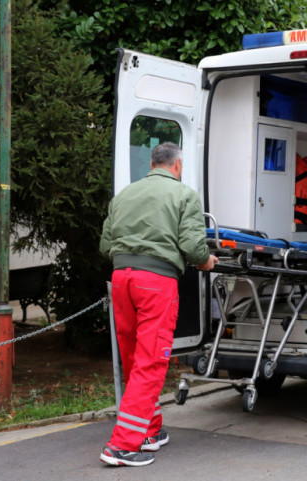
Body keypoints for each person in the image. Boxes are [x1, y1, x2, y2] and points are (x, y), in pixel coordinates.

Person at [98, 142, 218, 467]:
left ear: (152, 165)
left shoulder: (123, 195)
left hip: (122, 279)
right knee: (151, 361)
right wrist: (207, 261)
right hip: (156, 282)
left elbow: (106, 244)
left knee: (135, 358)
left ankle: (149, 432)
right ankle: (122, 447)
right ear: (177, 165)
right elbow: (192, 246)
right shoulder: (184, 195)